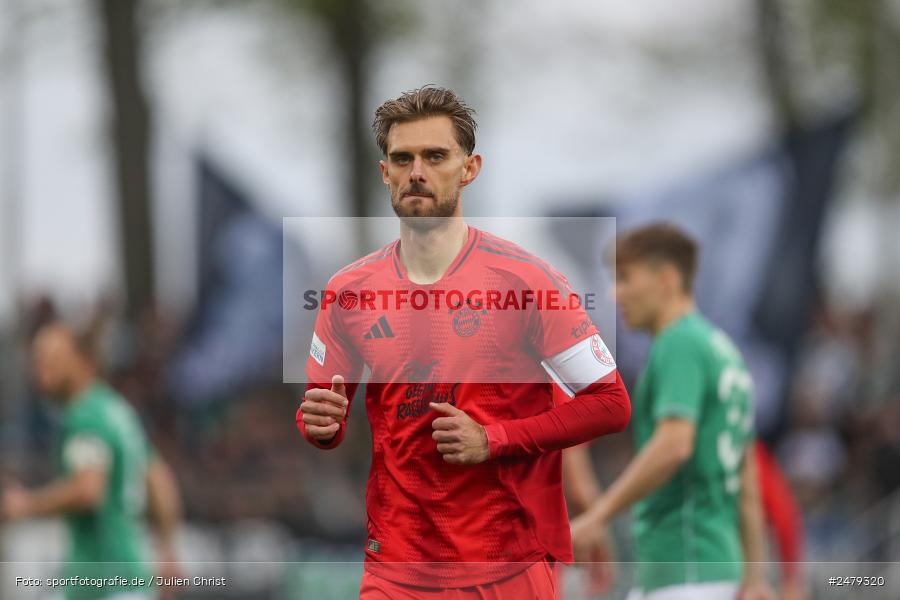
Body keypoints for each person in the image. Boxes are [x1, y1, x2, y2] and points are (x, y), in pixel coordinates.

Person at [296, 85, 631, 599]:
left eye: (435, 156)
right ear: (384, 172)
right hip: (395, 570)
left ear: (469, 168)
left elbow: (611, 404)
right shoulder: (348, 292)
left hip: (508, 568)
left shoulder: (527, 281)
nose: (417, 172)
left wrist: (493, 440)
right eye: (402, 158)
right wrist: (318, 424)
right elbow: (323, 417)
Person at [568, 223, 775, 600]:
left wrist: (598, 516)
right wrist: (756, 577)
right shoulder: (722, 348)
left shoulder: (678, 343)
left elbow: (674, 445)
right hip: (718, 568)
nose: (616, 294)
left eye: (626, 278)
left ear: (666, 279)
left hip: (684, 571)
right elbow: (747, 477)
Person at [0, 322, 183, 600]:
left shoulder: (85, 416)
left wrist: (25, 505)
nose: (40, 368)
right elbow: (159, 479)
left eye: (52, 358)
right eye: (37, 359)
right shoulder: (117, 411)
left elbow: (87, 490)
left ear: (84, 360)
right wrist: (168, 552)